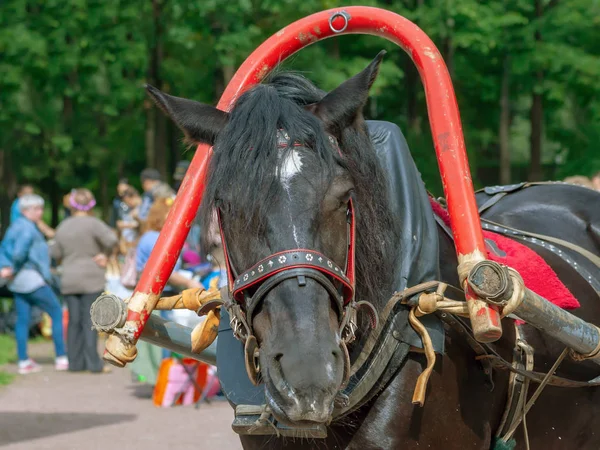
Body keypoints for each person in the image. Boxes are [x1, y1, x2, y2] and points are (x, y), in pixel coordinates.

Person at [50, 189, 117, 373]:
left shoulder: (63, 226)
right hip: (91, 278)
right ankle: (94, 364)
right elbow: (112, 239)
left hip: (69, 278)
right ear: (91, 204)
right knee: (90, 321)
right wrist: (104, 254)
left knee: (73, 322)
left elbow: (55, 253)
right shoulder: (94, 224)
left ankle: (75, 363)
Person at [0, 194, 68, 374]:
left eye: (41, 208)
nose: (40, 212)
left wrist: (7, 269)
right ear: (25, 211)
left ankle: (23, 361)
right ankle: (61, 357)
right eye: (37, 208)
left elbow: (5, 249)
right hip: (31, 279)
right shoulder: (27, 229)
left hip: (18, 282)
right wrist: (12, 267)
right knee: (56, 311)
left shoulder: (14, 226)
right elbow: (19, 253)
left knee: (22, 319)